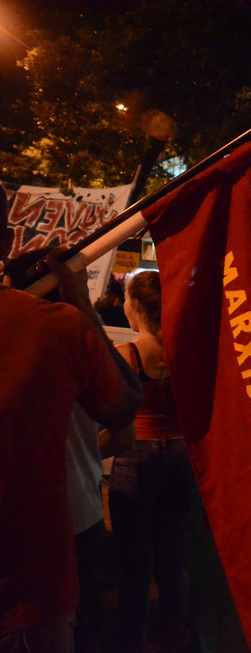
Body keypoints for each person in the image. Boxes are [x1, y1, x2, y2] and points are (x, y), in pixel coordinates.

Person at [1, 192, 143, 653]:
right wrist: (79, 302)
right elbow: (122, 407)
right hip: (29, 583)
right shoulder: (55, 327)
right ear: (6, 239)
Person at [108, 271, 197, 653]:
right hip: (180, 456)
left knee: (134, 564)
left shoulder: (128, 356)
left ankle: (132, 641)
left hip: (137, 458)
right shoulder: (187, 351)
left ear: (137, 307)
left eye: (128, 299)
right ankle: (175, 639)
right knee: (171, 558)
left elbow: (113, 411)